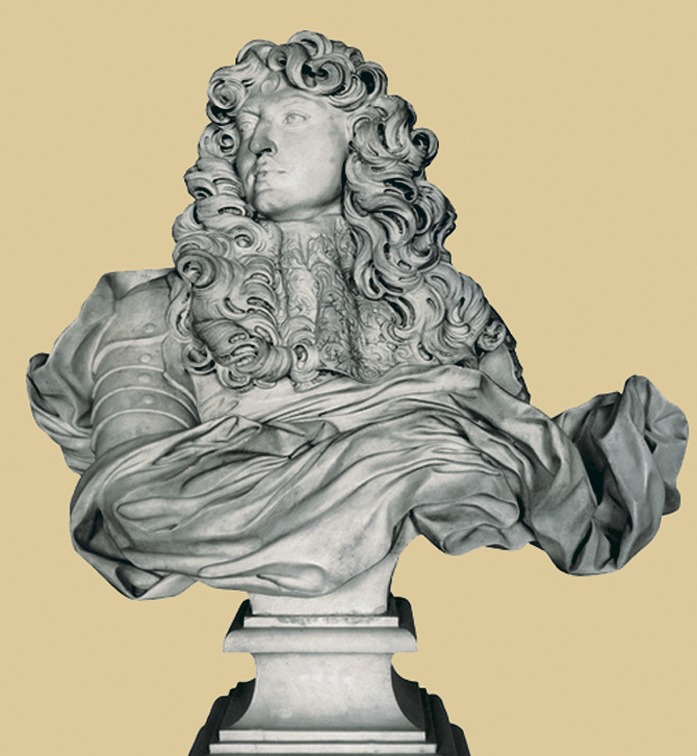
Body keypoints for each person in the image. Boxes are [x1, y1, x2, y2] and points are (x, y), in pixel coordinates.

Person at [28, 31, 687, 601]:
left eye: (292, 118)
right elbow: (133, 500)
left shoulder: (447, 309)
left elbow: (513, 442)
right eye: (246, 129)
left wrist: (358, 440)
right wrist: (401, 434)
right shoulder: (159, 311)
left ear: (361, 143)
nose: (260, 145)